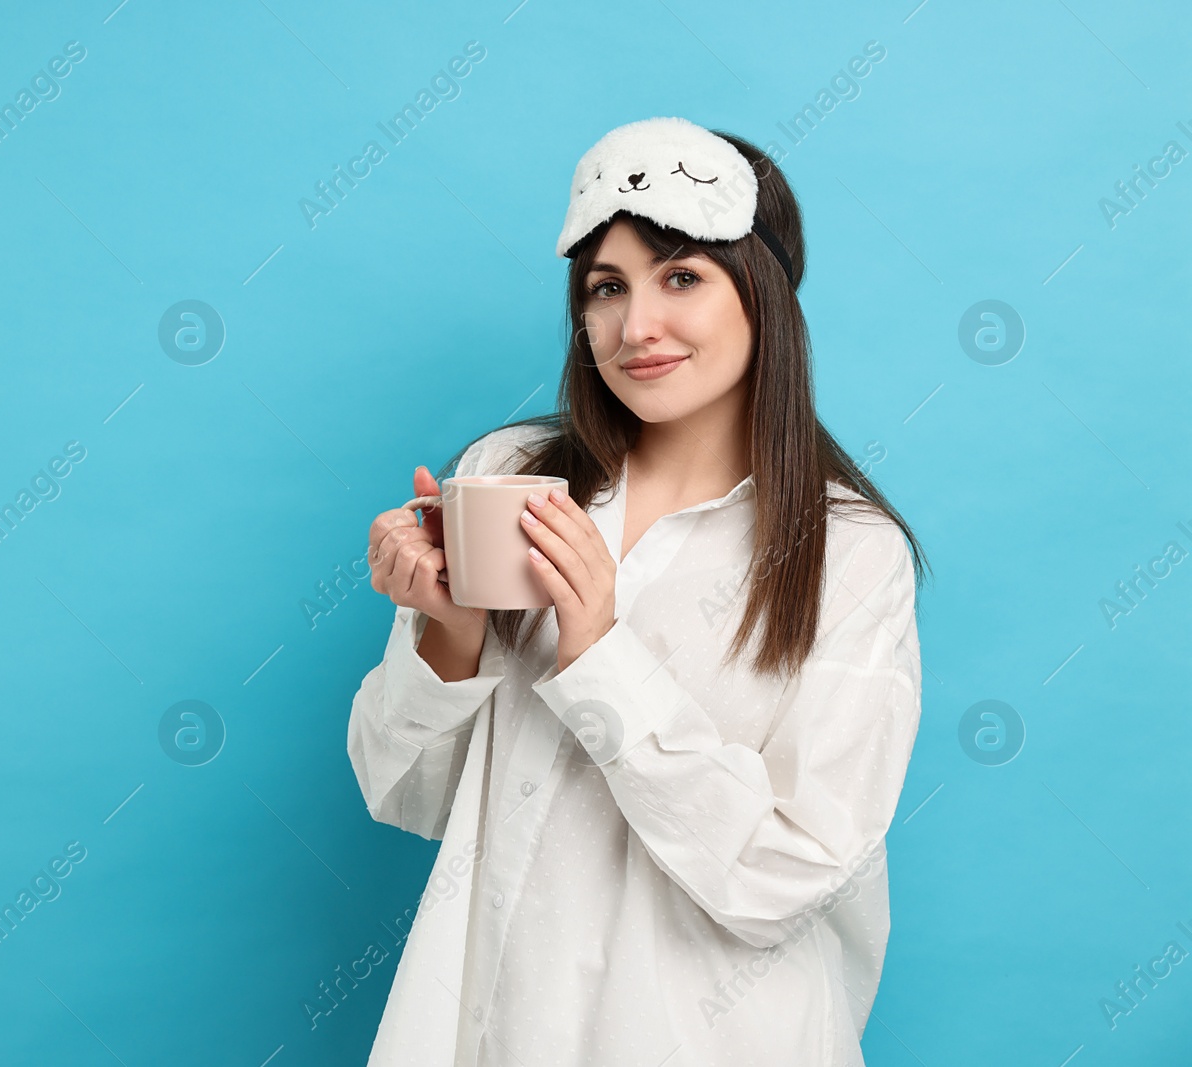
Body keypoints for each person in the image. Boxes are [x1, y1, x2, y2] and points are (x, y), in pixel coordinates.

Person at [347, 116, 930, 1066]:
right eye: (605, 288)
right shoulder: (514, 478)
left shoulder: (850, 554)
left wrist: (600, 647)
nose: (636, 327)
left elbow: (791, 873)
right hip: (497, 1021)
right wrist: (446, 635)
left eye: (683, 277)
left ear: (764, 294)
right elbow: (404, 793)